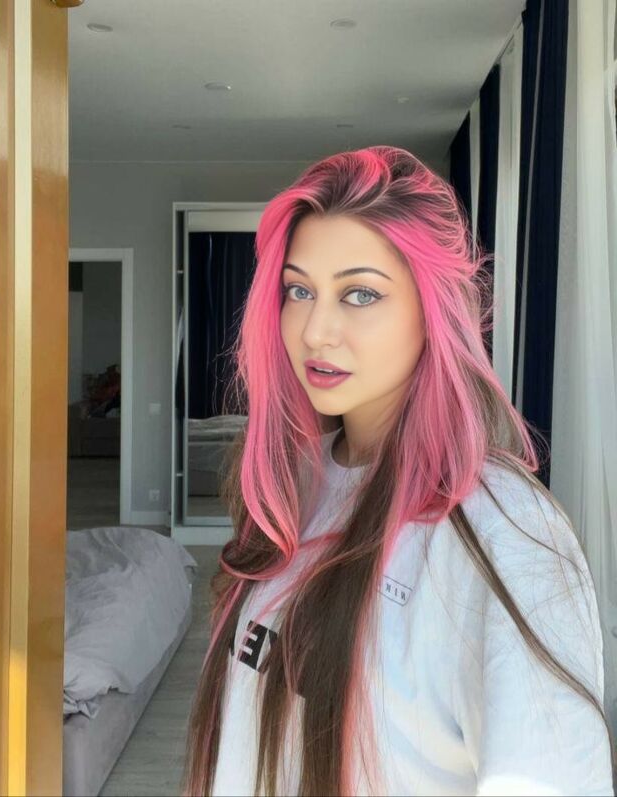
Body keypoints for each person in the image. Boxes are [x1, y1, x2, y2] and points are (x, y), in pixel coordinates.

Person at [181, 146, 615, 796]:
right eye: (299, 290)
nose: (316, 331)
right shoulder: (295, 490)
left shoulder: (505, 534)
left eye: (360, 293)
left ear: (434, 309)